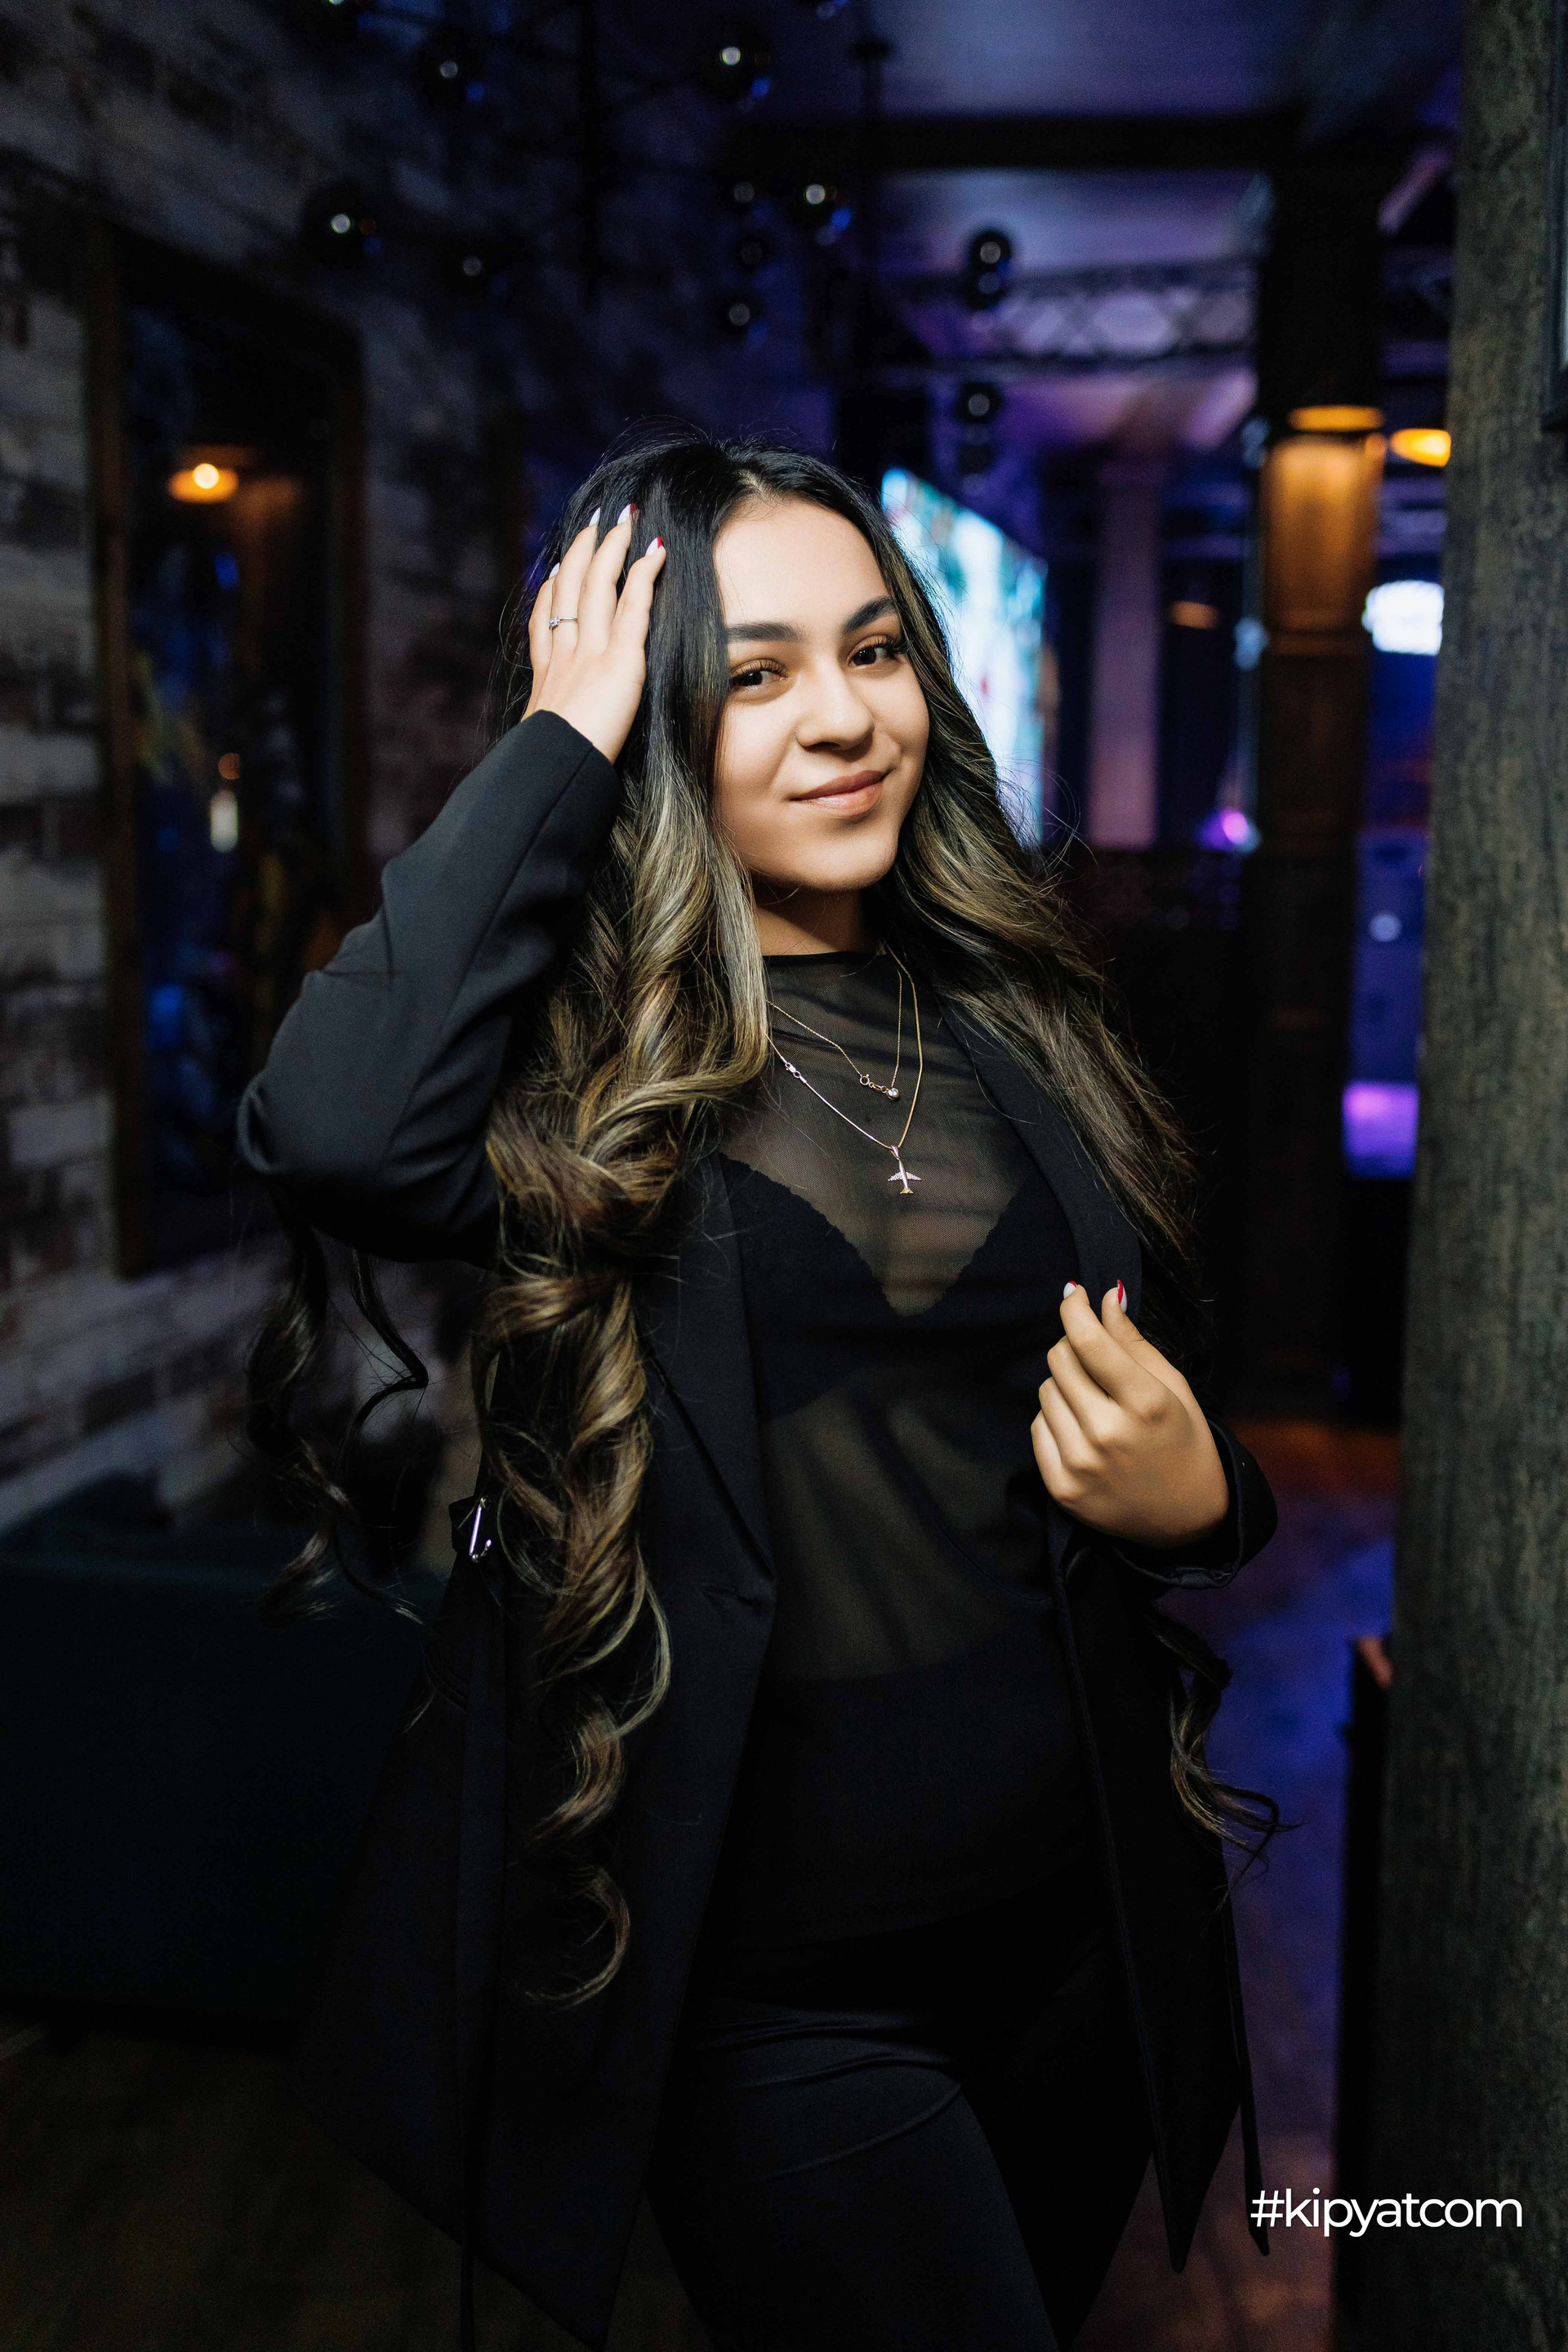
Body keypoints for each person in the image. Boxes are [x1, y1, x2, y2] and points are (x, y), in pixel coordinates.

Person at [238, 428, 1277, 2352]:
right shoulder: (580, 1090)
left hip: (1074, 1939)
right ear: (654, 723)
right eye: (752, 675)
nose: (844, 719)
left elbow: (1170, 1409)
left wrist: (1209, 1499)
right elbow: (333, 1130)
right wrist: (558, 735)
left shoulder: (1023, 1019)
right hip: (774, 1991)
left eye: (874, 651)